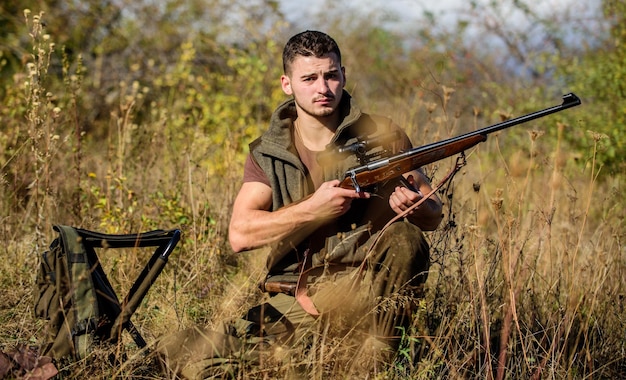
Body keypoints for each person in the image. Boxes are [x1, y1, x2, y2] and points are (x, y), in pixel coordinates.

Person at [157, 30, 443, 378]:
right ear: (287, 84)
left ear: (343, 75)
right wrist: (312, 209)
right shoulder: (268, 152)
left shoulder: (382, 133)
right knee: (182, 348)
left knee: (404, 239)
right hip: (298, 298)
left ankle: (372, 366)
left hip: (369, 291)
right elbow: (241, 234)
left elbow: (432, 214)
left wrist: (419, 208)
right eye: (309, 78)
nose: (323, 88)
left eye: (331, 75)